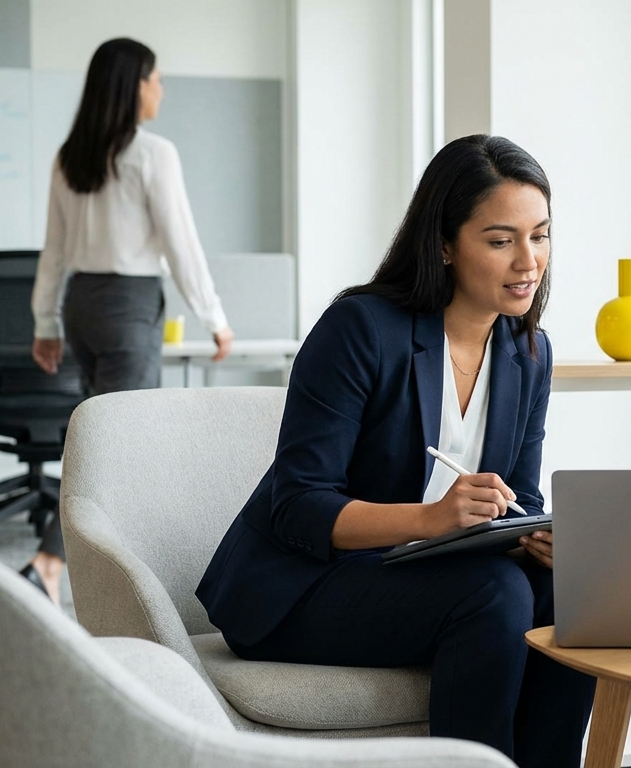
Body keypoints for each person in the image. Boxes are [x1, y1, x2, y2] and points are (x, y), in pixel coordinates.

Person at [196, 135, 594, 767]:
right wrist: (434, 519)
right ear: (443, 244)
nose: (529, 261)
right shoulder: (361, 329)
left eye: (540, 236)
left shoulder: (529, 353)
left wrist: (541, 536)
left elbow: (521, 498)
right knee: (495, 592)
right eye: (500, 241)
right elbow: (298, 505)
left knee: (573, 588)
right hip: (302, 586)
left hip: (423, 576)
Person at [24, 38, 233, 603]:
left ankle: (103, 559)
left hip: (82, 307)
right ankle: (50, 560)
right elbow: (181, 244)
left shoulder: (72, 155)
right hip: (127, 305)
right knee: (119, 446)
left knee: (98, 436)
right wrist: (213, 315)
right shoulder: (152, 153)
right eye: (155, 78)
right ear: (133, 85)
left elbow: (55, 250)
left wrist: (47, 321)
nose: (160, 88)